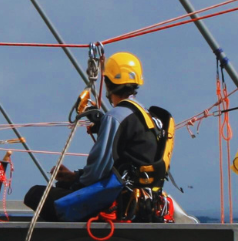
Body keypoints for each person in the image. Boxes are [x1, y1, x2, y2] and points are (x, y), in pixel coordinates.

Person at [24, 51, 158, 222]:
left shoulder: (116, 117)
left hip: (114, 200)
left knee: (34, 194)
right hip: (139, 200)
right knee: (62, 186)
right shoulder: (148, 118)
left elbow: (97, 172)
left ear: (108, 85)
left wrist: (77, 182)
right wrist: (74, 177)